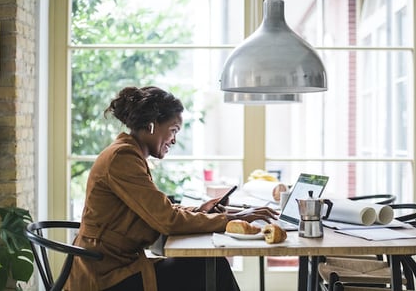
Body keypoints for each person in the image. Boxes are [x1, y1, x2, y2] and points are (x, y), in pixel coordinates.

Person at [65, 86, 278, 291]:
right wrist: (232, 220)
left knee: (209, 265)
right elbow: (167, 220)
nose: (174, 140)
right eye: (173, 130)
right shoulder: (123, 158)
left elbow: (160, 210)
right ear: (151, 125)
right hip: (105, 279)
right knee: (210, 266)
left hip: (115, 268)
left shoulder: (128, 153)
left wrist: (201, 210)